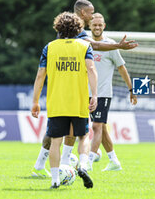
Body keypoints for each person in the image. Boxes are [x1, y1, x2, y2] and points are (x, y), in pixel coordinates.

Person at [31, 0, 138, 178]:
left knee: (66, 129)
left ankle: (55, 164)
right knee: (76, 131)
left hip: (67, 87)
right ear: (82, 13)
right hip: (70, 87)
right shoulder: (77, 31)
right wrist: (118, 46)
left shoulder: (66, 29)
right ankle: (79, 163)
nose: (92, 15)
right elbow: (94, 46)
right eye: (91, 13)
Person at [31, 12, 97, 189]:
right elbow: (91, 70)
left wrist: (35, 101)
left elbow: (40, 76)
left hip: (57, 102)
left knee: (55, 141)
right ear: (78, 28)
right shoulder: (84, 46)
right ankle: (82, 166)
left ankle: (54, 180)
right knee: (83, 136)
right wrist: (95, 95)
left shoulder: (49, 47)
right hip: (78, 101)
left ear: (58, 27)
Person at [79, 13, 137, 171]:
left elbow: (121, 68)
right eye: (94, 25)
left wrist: (131, 89)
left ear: (104, 26)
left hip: (103, 94)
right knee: (102, 128)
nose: (97, 27)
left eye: (100, 25)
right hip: (85, 93)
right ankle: (114, 161)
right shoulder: (84, 44)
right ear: (89, 26)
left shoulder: (111, 45)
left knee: (97, 127)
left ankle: (88, 163)